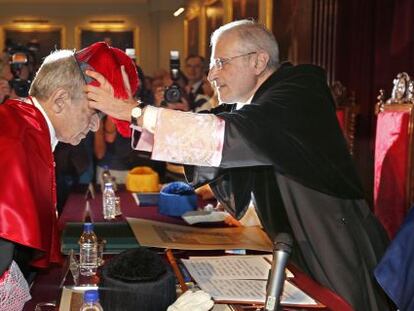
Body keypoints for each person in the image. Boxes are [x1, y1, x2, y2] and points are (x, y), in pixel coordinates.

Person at [85, 20, 391, 311]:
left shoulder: (300, 90)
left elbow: (229, 136)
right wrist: (144, 116)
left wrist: (137, 112)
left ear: (258, 61)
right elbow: (204, 139)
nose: (212, 75)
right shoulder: (252, 102)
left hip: (330, 238)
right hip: (295, 239)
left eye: (221, 63)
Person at [0, 42, 138, 310]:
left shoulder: (23, 125)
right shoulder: (15, 142)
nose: (96, 124)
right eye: (93, 111)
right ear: (61, 100)